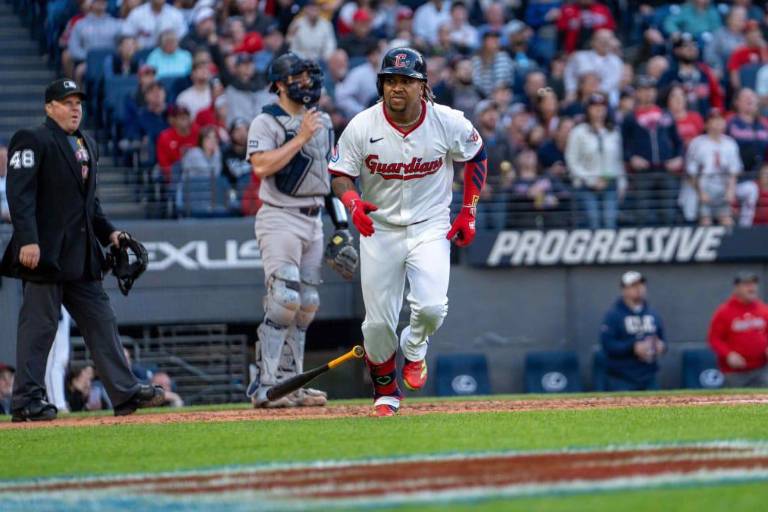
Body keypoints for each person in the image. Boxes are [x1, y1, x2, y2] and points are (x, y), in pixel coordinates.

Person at [328, 47, 487, 416]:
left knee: (431, 308)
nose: (396, 87)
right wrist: (353, 202)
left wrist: (469, 212)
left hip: (430, 225)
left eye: (405, 81)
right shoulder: (362, 125)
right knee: (377, 324)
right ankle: (386, 393)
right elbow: (339, 174)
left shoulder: (447, 121)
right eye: (390, 81)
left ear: (423, 86)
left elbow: (477, 154)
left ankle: (414, 347)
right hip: (379, 228)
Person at [0, 79, 164, 422]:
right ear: (49, 107)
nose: (75, 108)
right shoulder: (32, 139)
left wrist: (110, 233)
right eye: (67, 102)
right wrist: (27, 238)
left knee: (101, 319)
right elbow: (19, 194)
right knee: (39, 326)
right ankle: (26, 400)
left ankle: (124, 391)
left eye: (78, 102)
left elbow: (90, 205)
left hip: (81, 255)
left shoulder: (87, 143)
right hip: (44, 253)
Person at [245, 53, 357, 408]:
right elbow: (261, 166)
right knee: (284, 300)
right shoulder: (266, 121)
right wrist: (301, 136)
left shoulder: (322, 120)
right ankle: (265, 385)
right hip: (279, 216)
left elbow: (328, 176)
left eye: (310, 76)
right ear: (280, 84)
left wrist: (341, 226)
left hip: (314, 217)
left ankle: (290, 384)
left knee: (307, 305)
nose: (307, 83)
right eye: (299, 77)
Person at [565, 93, 624, 229]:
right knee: (593, 221)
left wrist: (622, 183)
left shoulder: (613, 132)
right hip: (586, 185)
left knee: (610, 222)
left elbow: (618, 160)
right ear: (588, 109)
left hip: (610, 183)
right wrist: (590, 179)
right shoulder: (578, 132)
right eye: (594, 106)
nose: (598, 110)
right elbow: (571, 160)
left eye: (602, 106)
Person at [600, 271, 666, 391]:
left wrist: (660, 346)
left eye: (641, 285)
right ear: (624, 290)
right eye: (633, 286)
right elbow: (608, 345)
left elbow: (662, 340)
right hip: (622, 378)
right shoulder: (614, 316)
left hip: (649, 376)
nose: (638, 289)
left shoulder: (653, 314)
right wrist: (633, 347)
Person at [708, 272, 768, 387]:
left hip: (761, 370)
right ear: (737, 288)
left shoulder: (764, 310)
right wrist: (729, 354)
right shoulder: (724, 311)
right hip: (734, 373)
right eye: (746, 284)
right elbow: (714, 339)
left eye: (754, 284)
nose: (751, 288)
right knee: (734, 398)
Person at [685, 108, 742, 227]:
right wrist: (700, 192)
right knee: (705, 221)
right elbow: (691, 172)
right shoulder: (697, 143)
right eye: (714, 120)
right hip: (703, 187)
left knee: (727, 221)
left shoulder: (730, 143)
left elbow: (734, 170)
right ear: (706, 124)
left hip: (722, 188)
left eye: (720, 119)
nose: (718, 123)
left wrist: (731, 190)